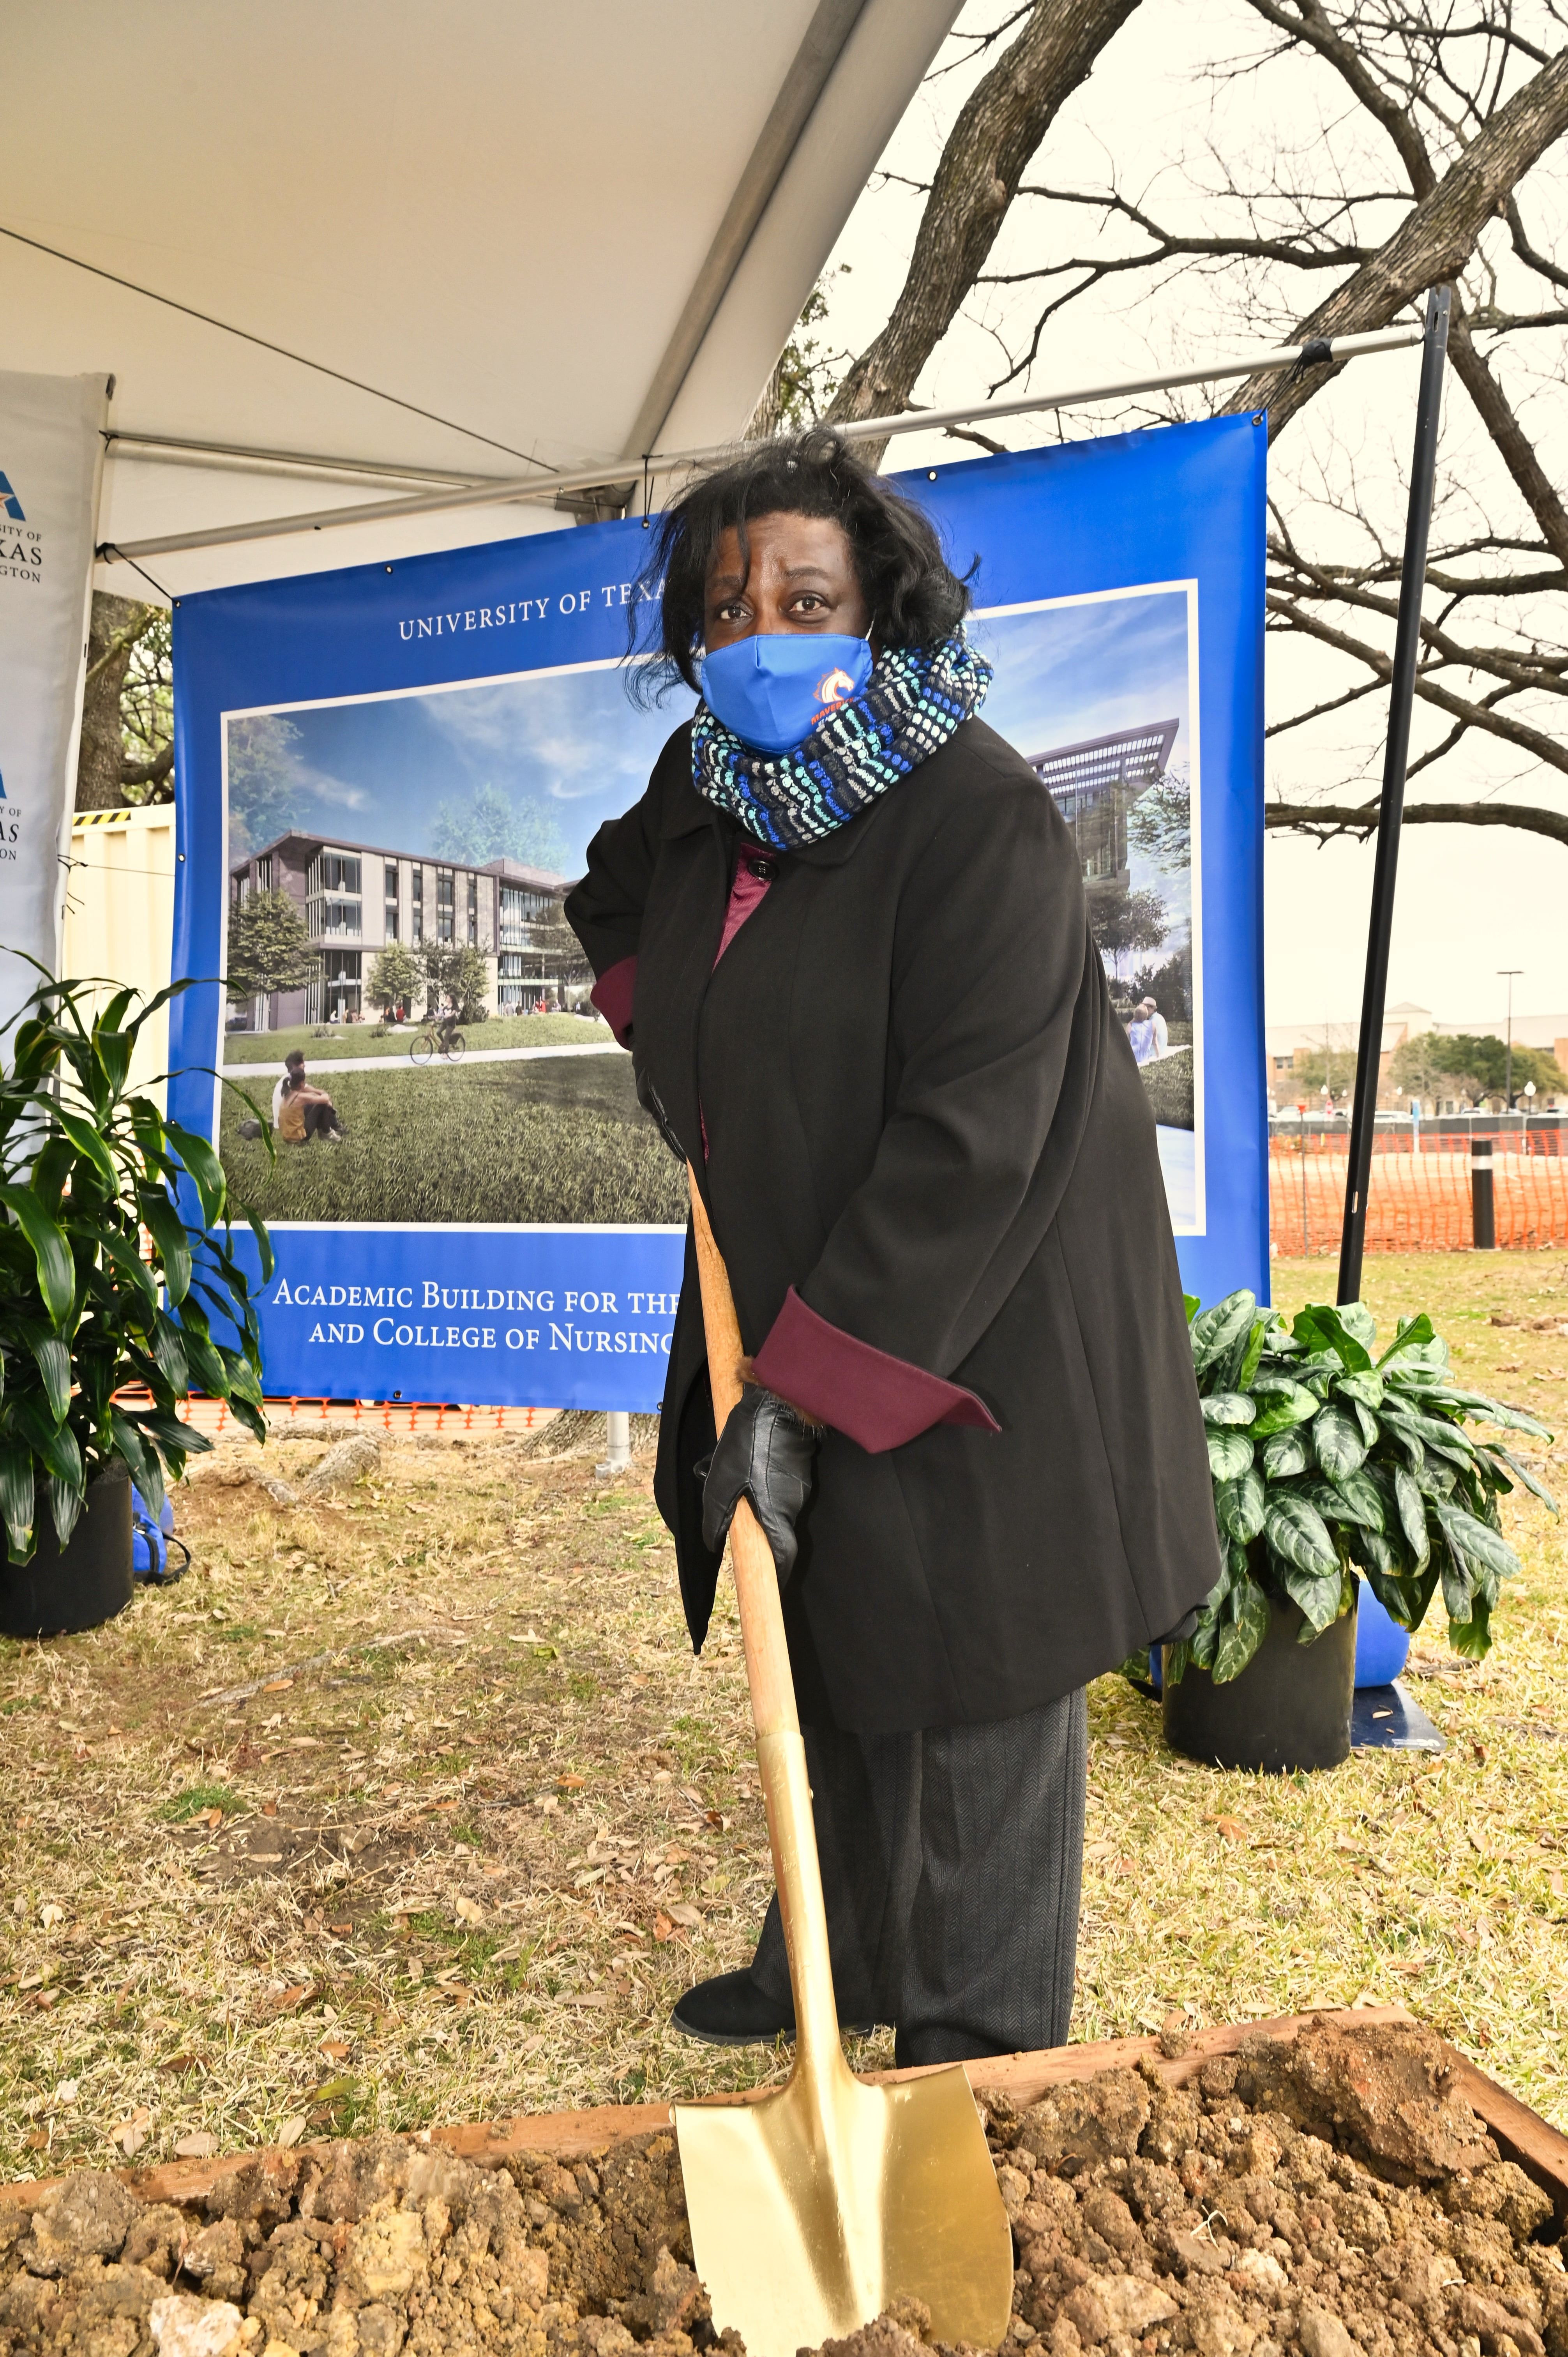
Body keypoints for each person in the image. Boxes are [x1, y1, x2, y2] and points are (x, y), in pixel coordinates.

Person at [564, 429, 1217, 2069]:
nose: (758, 634)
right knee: (831, 1616)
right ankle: (832, 1953)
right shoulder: (703, 791)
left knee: (976, 1656)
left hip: (986, 1307)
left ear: (878, 610)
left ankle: (976, 2037)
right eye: (725, 608)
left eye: (803, 598)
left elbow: (968, 1141)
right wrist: (671, 1048)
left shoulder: (977, 815)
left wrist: (797, 1399)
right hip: (792, 1273)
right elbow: (610, 904)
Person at [274, 1050, 345, 1145]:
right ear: (302, 1084)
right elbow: (323, 1098)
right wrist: (326, 1098)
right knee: (322, 1104)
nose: (305, 1065)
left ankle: (327, 1130)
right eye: (302, 1062)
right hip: (298, 1137)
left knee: (317, 1102)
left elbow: (311, 1096)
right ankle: (327, 1132)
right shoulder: (299, 1095)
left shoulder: (288, 1090)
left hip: (287, 1133)